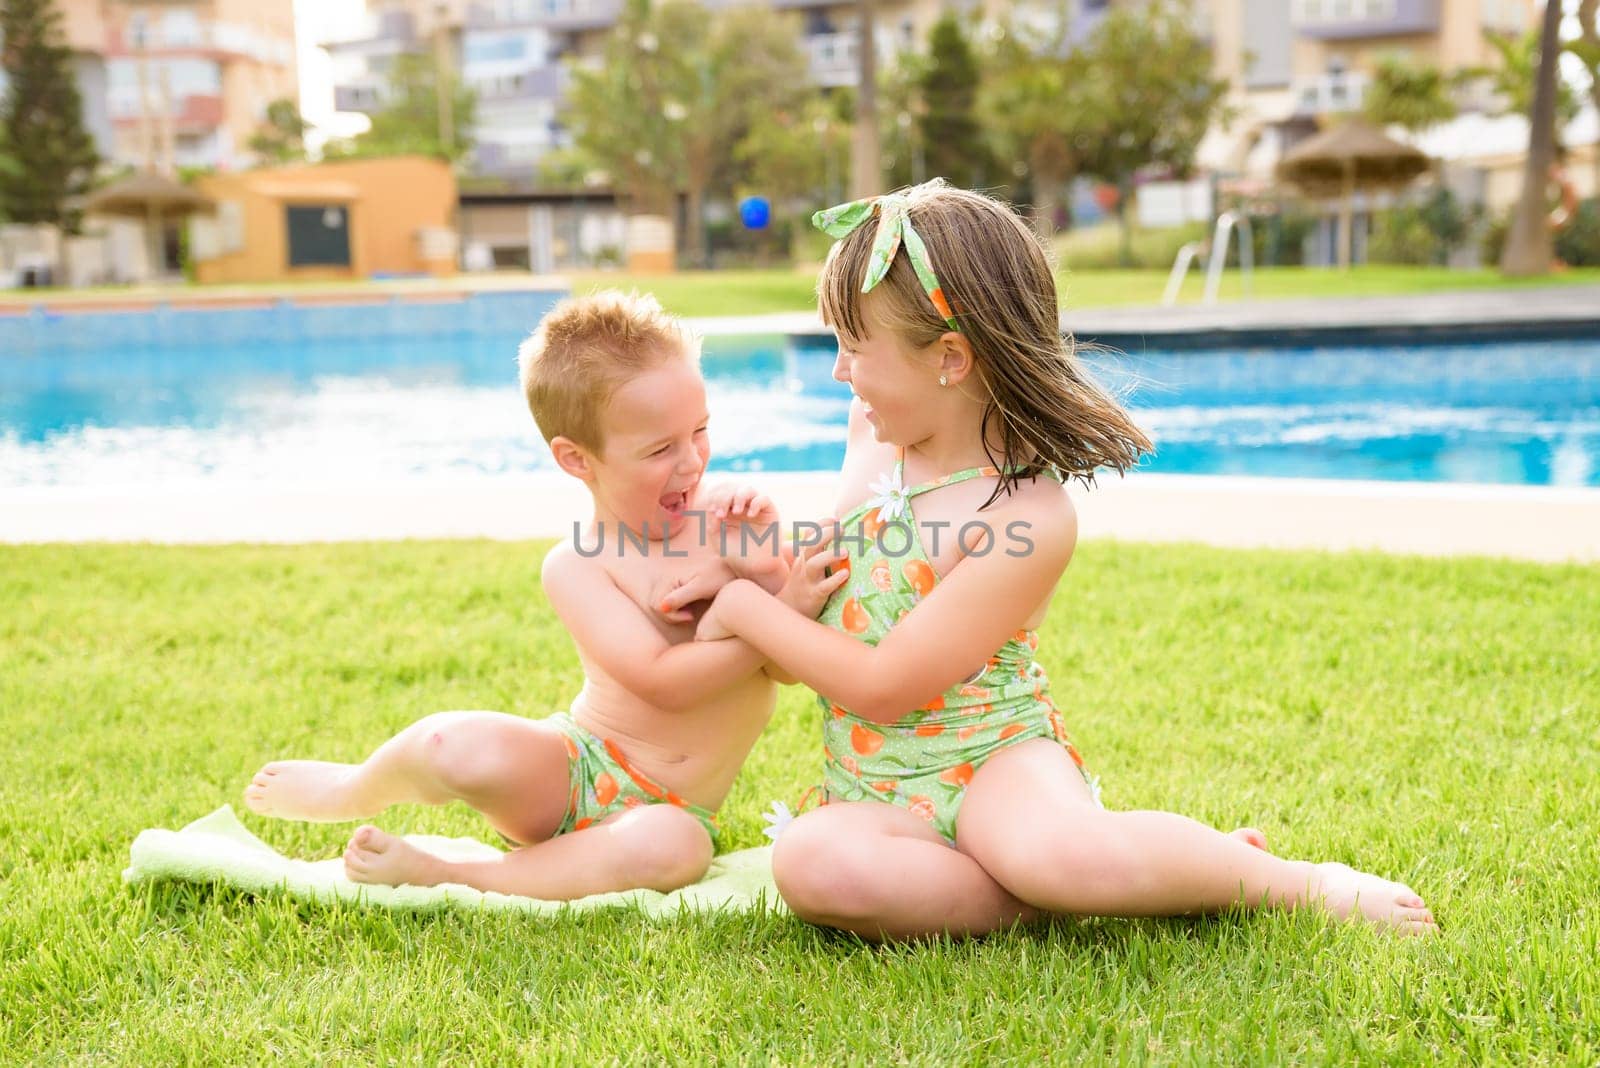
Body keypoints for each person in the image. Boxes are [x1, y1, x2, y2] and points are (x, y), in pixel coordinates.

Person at [676, 181, 1438, 940]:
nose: (840, 372)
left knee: (1060, 852)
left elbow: (883, 685)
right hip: (871, 786)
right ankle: (1073, 890)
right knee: (813, 865)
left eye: (854, 348)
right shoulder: (871, 434)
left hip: (994, 764)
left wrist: (745, 615)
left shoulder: (1025, 515)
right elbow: (817, 621)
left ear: (949, 357)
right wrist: (761, 579)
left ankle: (1281, 883)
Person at [244, 290, 847, 899]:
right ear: (576, 459)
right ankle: (353, 788)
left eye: (700, 431)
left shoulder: (728, 527)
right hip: (571, 769)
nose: (692, 462)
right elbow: (664, 681)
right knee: (451, 744)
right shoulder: (577, 565)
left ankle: (457, 874)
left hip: (670, 809)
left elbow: (786, 671)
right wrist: (777, 614)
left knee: (677, 847)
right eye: (661, 449)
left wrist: (768, 573)